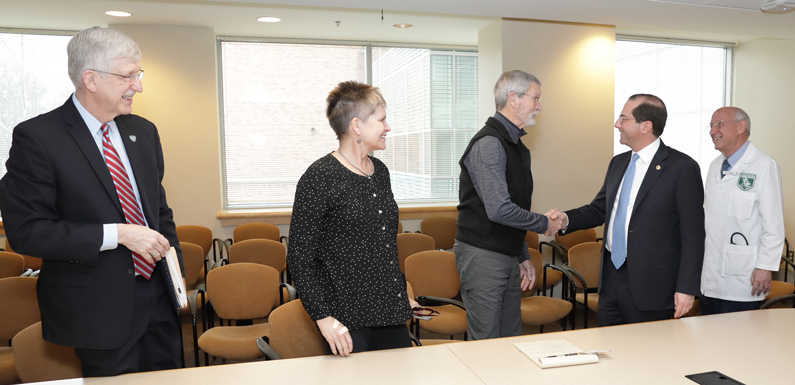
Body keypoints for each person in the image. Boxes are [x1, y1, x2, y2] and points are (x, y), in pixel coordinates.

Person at [0, 27, 183, 376]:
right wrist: (118, 234)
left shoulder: (143, 132)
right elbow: (27, 232)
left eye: (138, 74)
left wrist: (176, 281)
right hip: (98, 306)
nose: (139, 85)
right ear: (91, 79)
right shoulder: (38, 138)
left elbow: (159, 213)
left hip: (158, 299)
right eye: (128, 75)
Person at [286, 81, 418, 357]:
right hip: (345, 320)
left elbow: (383, 246)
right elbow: (299, 259)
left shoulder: (380, 171)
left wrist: (399, 294)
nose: (387, 126)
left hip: (389, 312)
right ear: (357, 126)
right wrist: (323, 319)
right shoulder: (319, 178)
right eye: (381, 119)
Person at [552, 94, 705, 326]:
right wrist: (564, 220)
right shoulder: (618, 163)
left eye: (623, 118)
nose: (617, 124)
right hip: (611, 279)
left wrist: (686, 288)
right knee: (610, 350)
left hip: (653, 286)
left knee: (647, 354)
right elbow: (598, 210)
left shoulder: (682, 168)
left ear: (646, 126)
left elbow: (693, 235)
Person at [454, 70, 563, 341]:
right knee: (488, 341)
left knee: (509, 337)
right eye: (535, 98)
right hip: (483, 255)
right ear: (513, 99)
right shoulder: (490, 143)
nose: (539, 105)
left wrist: (522, 254)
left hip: (505, 254)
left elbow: (513, 206)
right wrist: (545, 223)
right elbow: (499, 209)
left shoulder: (516, 145)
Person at [700, 107, 784, 314]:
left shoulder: (764, 165)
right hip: (709, 279)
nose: (712, 131)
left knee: (738, 342)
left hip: (743, 279)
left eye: (719, 124)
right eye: (711, 126)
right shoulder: (713, 167)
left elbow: (773, 225)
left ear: (741, 127)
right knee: (707, 342)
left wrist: (765, 267)